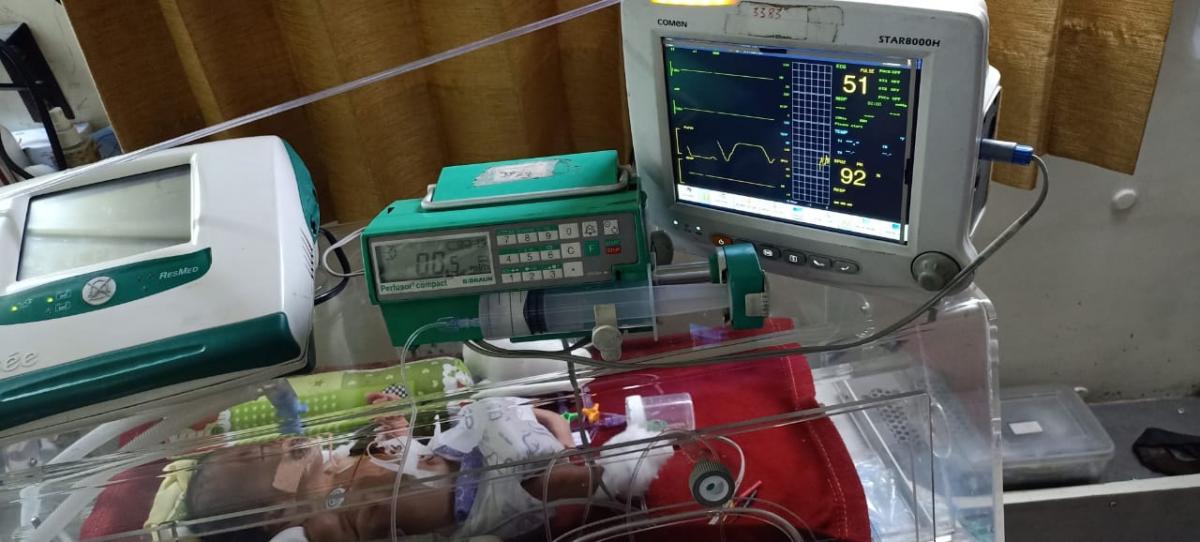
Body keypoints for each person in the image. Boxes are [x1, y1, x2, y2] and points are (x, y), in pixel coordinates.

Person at [184, 392, 669, 541]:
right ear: (274, 515)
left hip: (459, 458)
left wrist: (396, 429)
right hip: (473, 506)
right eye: (257, 455)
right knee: (535, 480)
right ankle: (605, 478)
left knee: (490, 410)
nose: (271, 443)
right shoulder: (323, 524)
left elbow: (404, 456)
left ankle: (566, 440)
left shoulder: (337, 463)